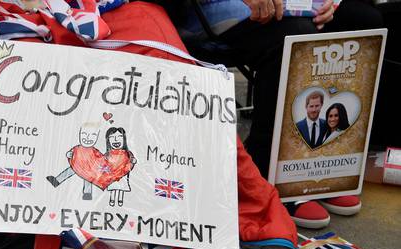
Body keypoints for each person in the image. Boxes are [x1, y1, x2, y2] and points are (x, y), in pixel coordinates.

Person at [164, 0, 383, 227]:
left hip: (290, 5)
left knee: (363, 20)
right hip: (211, 9)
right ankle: (267, 171)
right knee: (296, 34)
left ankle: (325, 170)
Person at [46, 125, 101, 200]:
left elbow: (100, 158)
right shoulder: (77, 148)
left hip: (88, 169)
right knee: (68, 172)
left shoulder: (94, 151)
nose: (87, 138)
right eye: (84, 135)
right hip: (76, 166)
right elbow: (70, 153)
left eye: (92, 136)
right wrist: (69, 154)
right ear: (80, 135)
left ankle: (87, 194)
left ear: (96, 137)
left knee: (87, 180)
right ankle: (56, 181)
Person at [105, 127, 136, 207]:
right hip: (113, 175)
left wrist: (133, 162)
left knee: (121, 188)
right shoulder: (108, 154)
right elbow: (103, 163)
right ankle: (112, 199)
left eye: (119, 137)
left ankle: (120, 200)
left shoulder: (127, 154)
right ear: (108, 140)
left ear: (124, 139)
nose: (116, 140)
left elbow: (131, 161)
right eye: (112, 137)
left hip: (123, 175)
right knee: (113, 188)